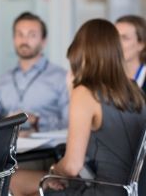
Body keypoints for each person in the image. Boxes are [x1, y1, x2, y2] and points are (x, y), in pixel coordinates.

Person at [10, 19, 146, 196]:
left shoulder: (85, 93)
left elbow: (72, 166)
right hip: (128, 190)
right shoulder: (135, 91)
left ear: (81, 52)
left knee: (13, 180)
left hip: (98, 189)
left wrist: (53, 171)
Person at [0, 12, 69, 133]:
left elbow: (71, 123)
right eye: (20, 34)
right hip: (6, 149)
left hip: (47, 150)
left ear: (43, 41)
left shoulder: (62, 78)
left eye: (32, 35)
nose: (24, 40)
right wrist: (5, 121)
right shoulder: (3, 79)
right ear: (14, 39)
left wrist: (38, 121)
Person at [115, 15, 146, 93]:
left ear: (141, 44)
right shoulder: (105, 79)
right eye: (114, 36)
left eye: (124, 38)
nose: (117, 43)